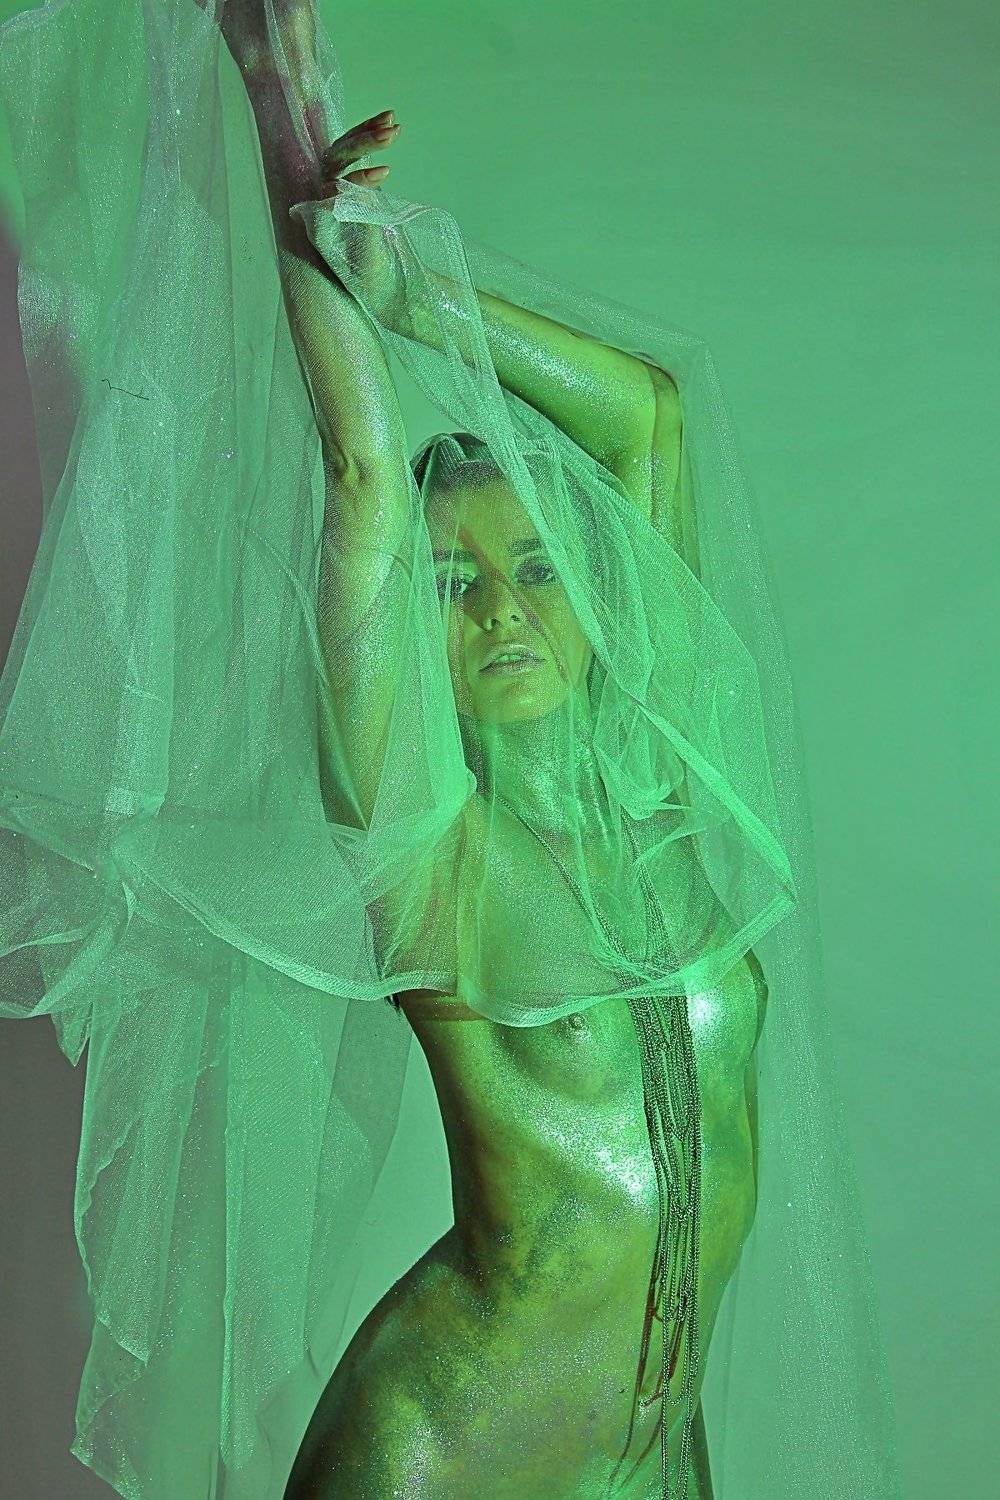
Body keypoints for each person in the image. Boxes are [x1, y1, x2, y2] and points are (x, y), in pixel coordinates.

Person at [0, 3, 899, 1498]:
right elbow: (364, 475)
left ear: (596, 599)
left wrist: (420, 297)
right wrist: (284, 132)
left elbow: (652, 421)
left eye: (536, 567)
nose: (500, 607)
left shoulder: (662, 789)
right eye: (450, 582)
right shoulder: (435, 857)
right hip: (445, 1453)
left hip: (648, 1452)